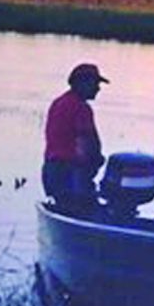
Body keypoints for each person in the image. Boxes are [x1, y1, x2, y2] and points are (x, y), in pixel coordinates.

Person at [42, 62, 108, 214]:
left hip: (51, 171)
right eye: (95, 83)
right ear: (81, 82)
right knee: (85, 212)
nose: (98, 88)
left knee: (66, 210)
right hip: (71, 174)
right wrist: (95, 160)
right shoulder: (81, 108)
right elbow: (85, 142)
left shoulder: (58, 103)